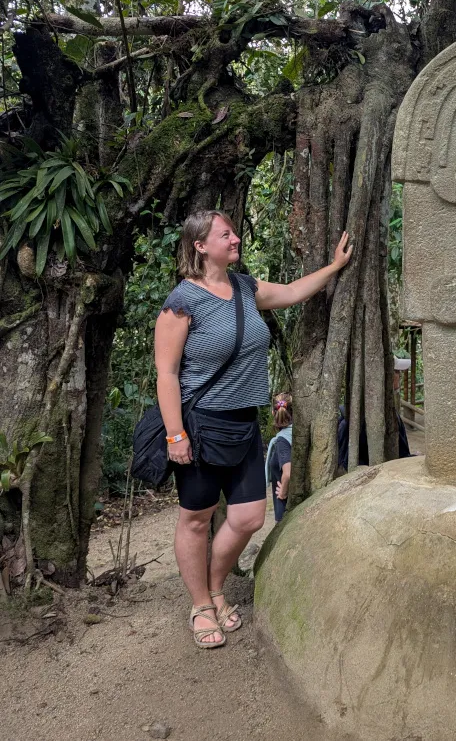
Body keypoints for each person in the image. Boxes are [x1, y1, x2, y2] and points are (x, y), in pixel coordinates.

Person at [154, 210, 351, 648]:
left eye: (234, 232)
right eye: (226, 234)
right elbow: (166, 374)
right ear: (200, 245)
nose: (236, 238)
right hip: (201, 425)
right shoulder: (182, 301)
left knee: (247, 517)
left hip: (245, 421)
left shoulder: (245, 288)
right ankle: (202, 605)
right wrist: (175, 435)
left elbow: (294, 292)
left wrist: (335, 267)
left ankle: (215, 585)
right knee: (195, 520)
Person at [337, 356, 413, 470]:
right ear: (387, 376)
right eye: (397, 372)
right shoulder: (389, 417)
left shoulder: (350, 414)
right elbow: (402, 455)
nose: (400, 376)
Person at [266, 393, 292, 524]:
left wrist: (282, 493)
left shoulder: (282, 440)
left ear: (273, 412)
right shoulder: (296, 433)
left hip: (284, 507)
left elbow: (287, 473)